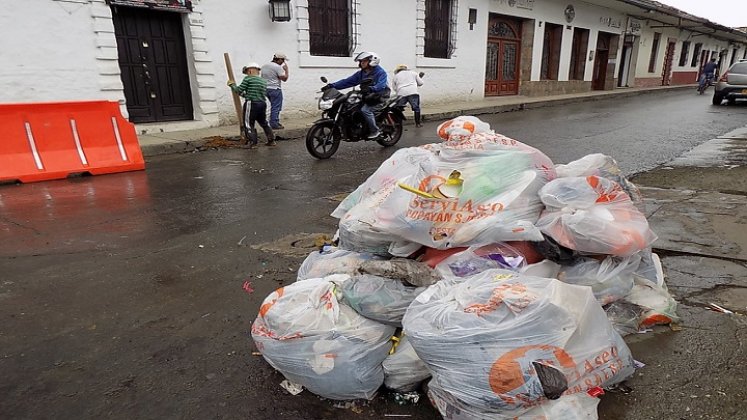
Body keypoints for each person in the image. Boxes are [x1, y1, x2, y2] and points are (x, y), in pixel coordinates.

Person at [325, 51, 389, 139]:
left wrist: (371, 88)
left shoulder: (380, 72)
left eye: (364, 61)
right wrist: (332, 86)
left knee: (365, 110)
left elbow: (381, 86)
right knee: (351, 106)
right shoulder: (361, 73)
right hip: (367, 96)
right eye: (360, 61)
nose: (361, 63)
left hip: (380, 97)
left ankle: (375, 131)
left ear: (372, 61)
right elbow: (348, 81)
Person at [228, 63, 276, 148]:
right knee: (263, 122)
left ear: (250, 70)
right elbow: (251, 93)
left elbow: (239, 90)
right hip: (262, 103)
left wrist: (232, 85)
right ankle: (271, 140)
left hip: (251, 104)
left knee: (248, 123)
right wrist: (243, 94)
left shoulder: (248, 79)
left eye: (246, 72)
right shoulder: (263, 81)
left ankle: (252, 142)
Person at [260, 53, 289, 130]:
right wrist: (286, 70)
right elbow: (284, 78)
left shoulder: (264, 66)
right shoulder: (277, 67)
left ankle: (273, 121)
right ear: (279, 59)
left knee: (273, 106)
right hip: (275, 89)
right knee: (276, 106)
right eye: (282, 60)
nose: (283, 62)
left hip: (265, 88)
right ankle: (274, 123)